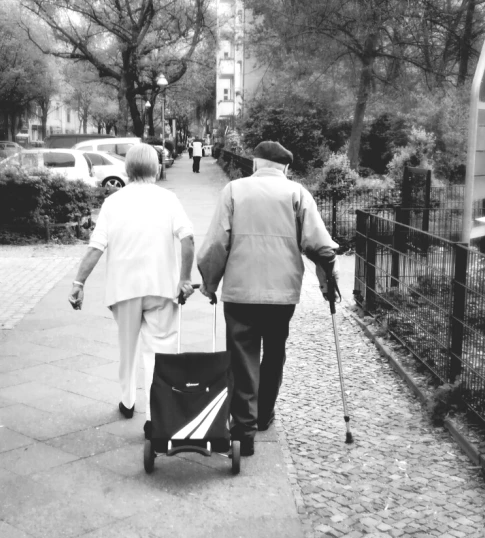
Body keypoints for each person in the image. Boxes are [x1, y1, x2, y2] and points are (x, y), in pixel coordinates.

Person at [196, 140, 339, 457]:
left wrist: (209, 283)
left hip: (240, 292)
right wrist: (329, 281)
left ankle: (243, 430)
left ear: (255, 164)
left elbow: (216, 244)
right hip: (282, 293)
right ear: (285, 168)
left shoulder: (233, 191)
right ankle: (264, 415)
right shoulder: (297, 194)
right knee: (274, 352)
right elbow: (320, 246)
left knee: (242, 358)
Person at [68, 143, 195, 437]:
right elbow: (187, 238)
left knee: (127, 349)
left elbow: (96, 247)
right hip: (162, 288)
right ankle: (156, 417)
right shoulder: (168, 199)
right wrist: (184, 279)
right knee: (160, 353)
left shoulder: (113, 202)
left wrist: (79, 282)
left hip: (124, 289)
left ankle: (127, 400)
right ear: (155, 167)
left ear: (128, 169)